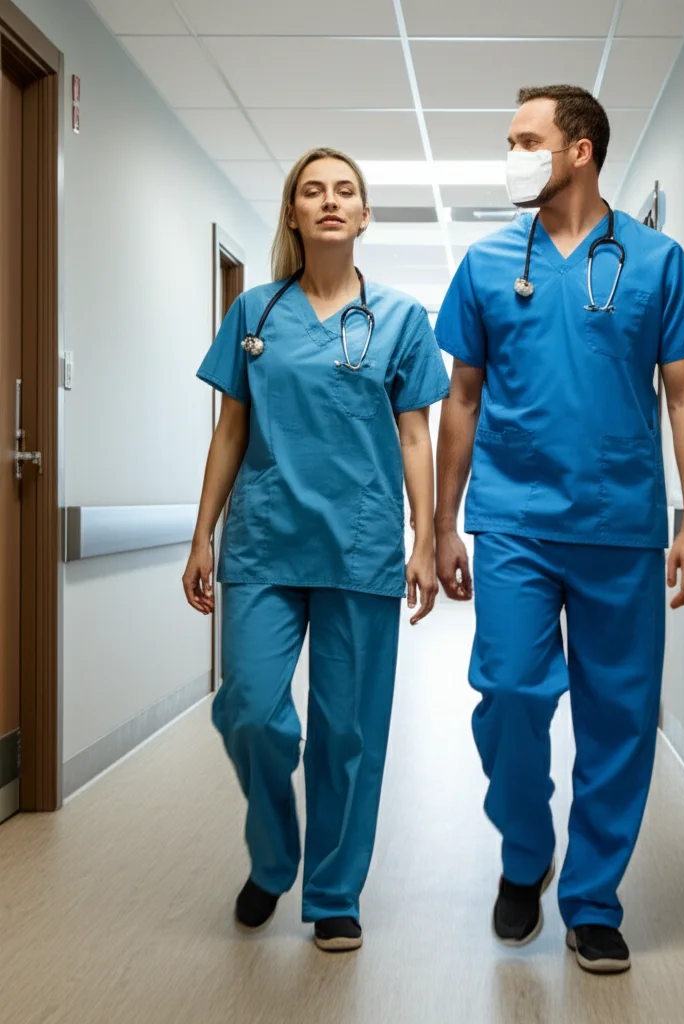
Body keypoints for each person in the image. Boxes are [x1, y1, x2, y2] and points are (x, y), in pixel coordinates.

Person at [433, 86, 684, 974]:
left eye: (526, 138)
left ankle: (592, 901)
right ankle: (526, 854)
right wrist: (441, 523)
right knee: (513, 694)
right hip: (516, 522)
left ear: (582, 150)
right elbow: (464, 397)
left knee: (619, 718)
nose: (513, 153)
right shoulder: (487, 264)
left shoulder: (657, 262)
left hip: (619, 523)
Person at [183, 147, 450, 953]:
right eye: (312, 190)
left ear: (364, 215)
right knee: (254, 713)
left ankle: (334, 892)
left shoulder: (402, 319)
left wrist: (425, 539)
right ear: (293, 214)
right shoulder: (255, 315)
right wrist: (202, 531)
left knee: (349, 733)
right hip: (264, 543)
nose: (329, 201)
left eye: (345, 191)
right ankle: (273, 861)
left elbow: (415, 436)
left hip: (362, 546)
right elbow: (231, 429)